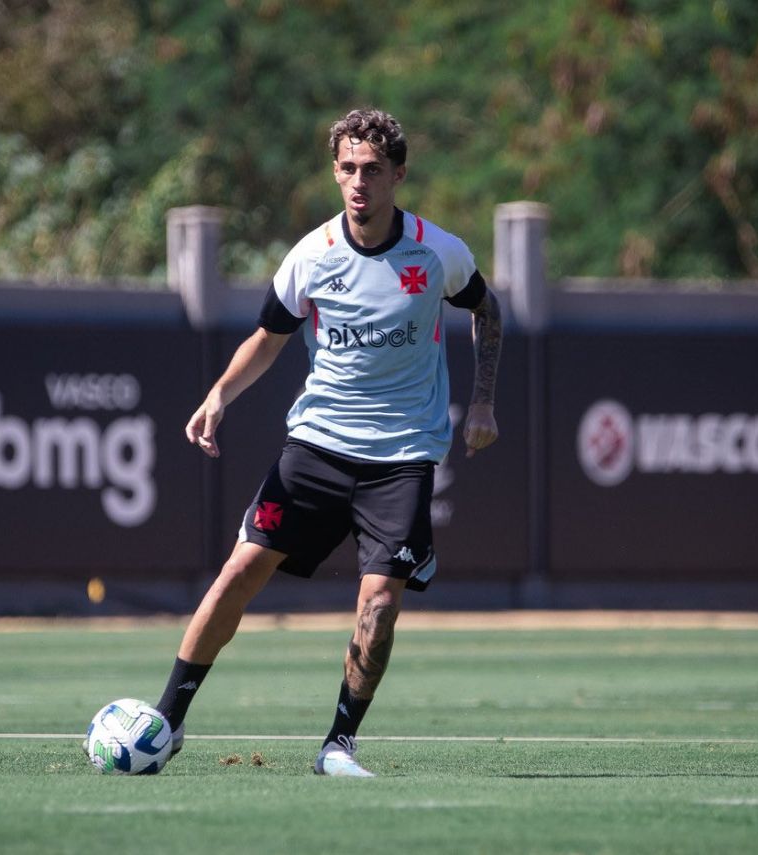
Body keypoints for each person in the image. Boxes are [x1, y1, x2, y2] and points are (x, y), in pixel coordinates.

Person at [154, 107, 503, 777]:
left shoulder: (438, 253)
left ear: (399, 175)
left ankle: (338, 744)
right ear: (334, 173)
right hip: (315, 447)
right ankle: (167, 719)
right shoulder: (310, 257)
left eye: (373, 170)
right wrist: (219, 395)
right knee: (238, 570)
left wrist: (483, 399)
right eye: (347, 169)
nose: (359, 182)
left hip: (401, 456)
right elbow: (267, 338)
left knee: (378, 605)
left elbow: (488, 311)